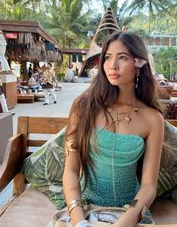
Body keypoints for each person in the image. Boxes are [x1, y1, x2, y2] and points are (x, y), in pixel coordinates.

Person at [63, 31, 164, 227]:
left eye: (123, 58)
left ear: (139, 64)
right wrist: (79, 222)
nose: (113, 65)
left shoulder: (152, 119)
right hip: (85, 209)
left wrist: (125, 221)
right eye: (108, 58)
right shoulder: (83, 107)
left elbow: (149, 185)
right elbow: (70, 171)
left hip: (130, 212)